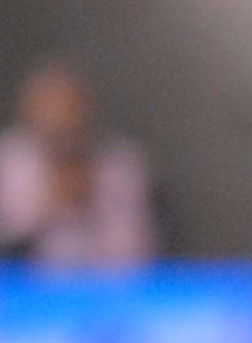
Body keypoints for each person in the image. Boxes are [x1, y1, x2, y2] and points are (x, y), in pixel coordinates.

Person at [0, 60, 159, 267]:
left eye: (71, 107)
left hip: (105, 291)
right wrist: (48, 208)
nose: (62, 119)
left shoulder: (120, 165)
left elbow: (141, 255)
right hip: (22, 292)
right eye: (51, 106)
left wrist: (93, 202)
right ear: (29, 109)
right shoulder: (10, 160)